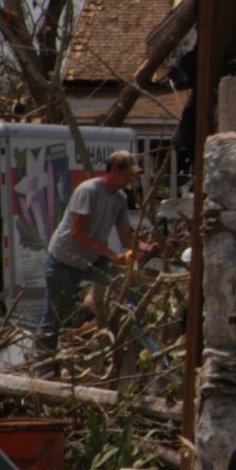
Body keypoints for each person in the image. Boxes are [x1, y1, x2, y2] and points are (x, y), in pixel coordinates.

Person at [37, 151, 146, 356]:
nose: (131, 179)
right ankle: (44, 366)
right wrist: (112, 254)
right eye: (128, 174)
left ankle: (135, 351)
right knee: (54, 317)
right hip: (64, 260)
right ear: (114, 170)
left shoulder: (120, 198)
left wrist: (143, 246)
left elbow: (125, 237)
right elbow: (77, 233)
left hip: (93, 260)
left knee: (128, 291)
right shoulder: (89, 190)